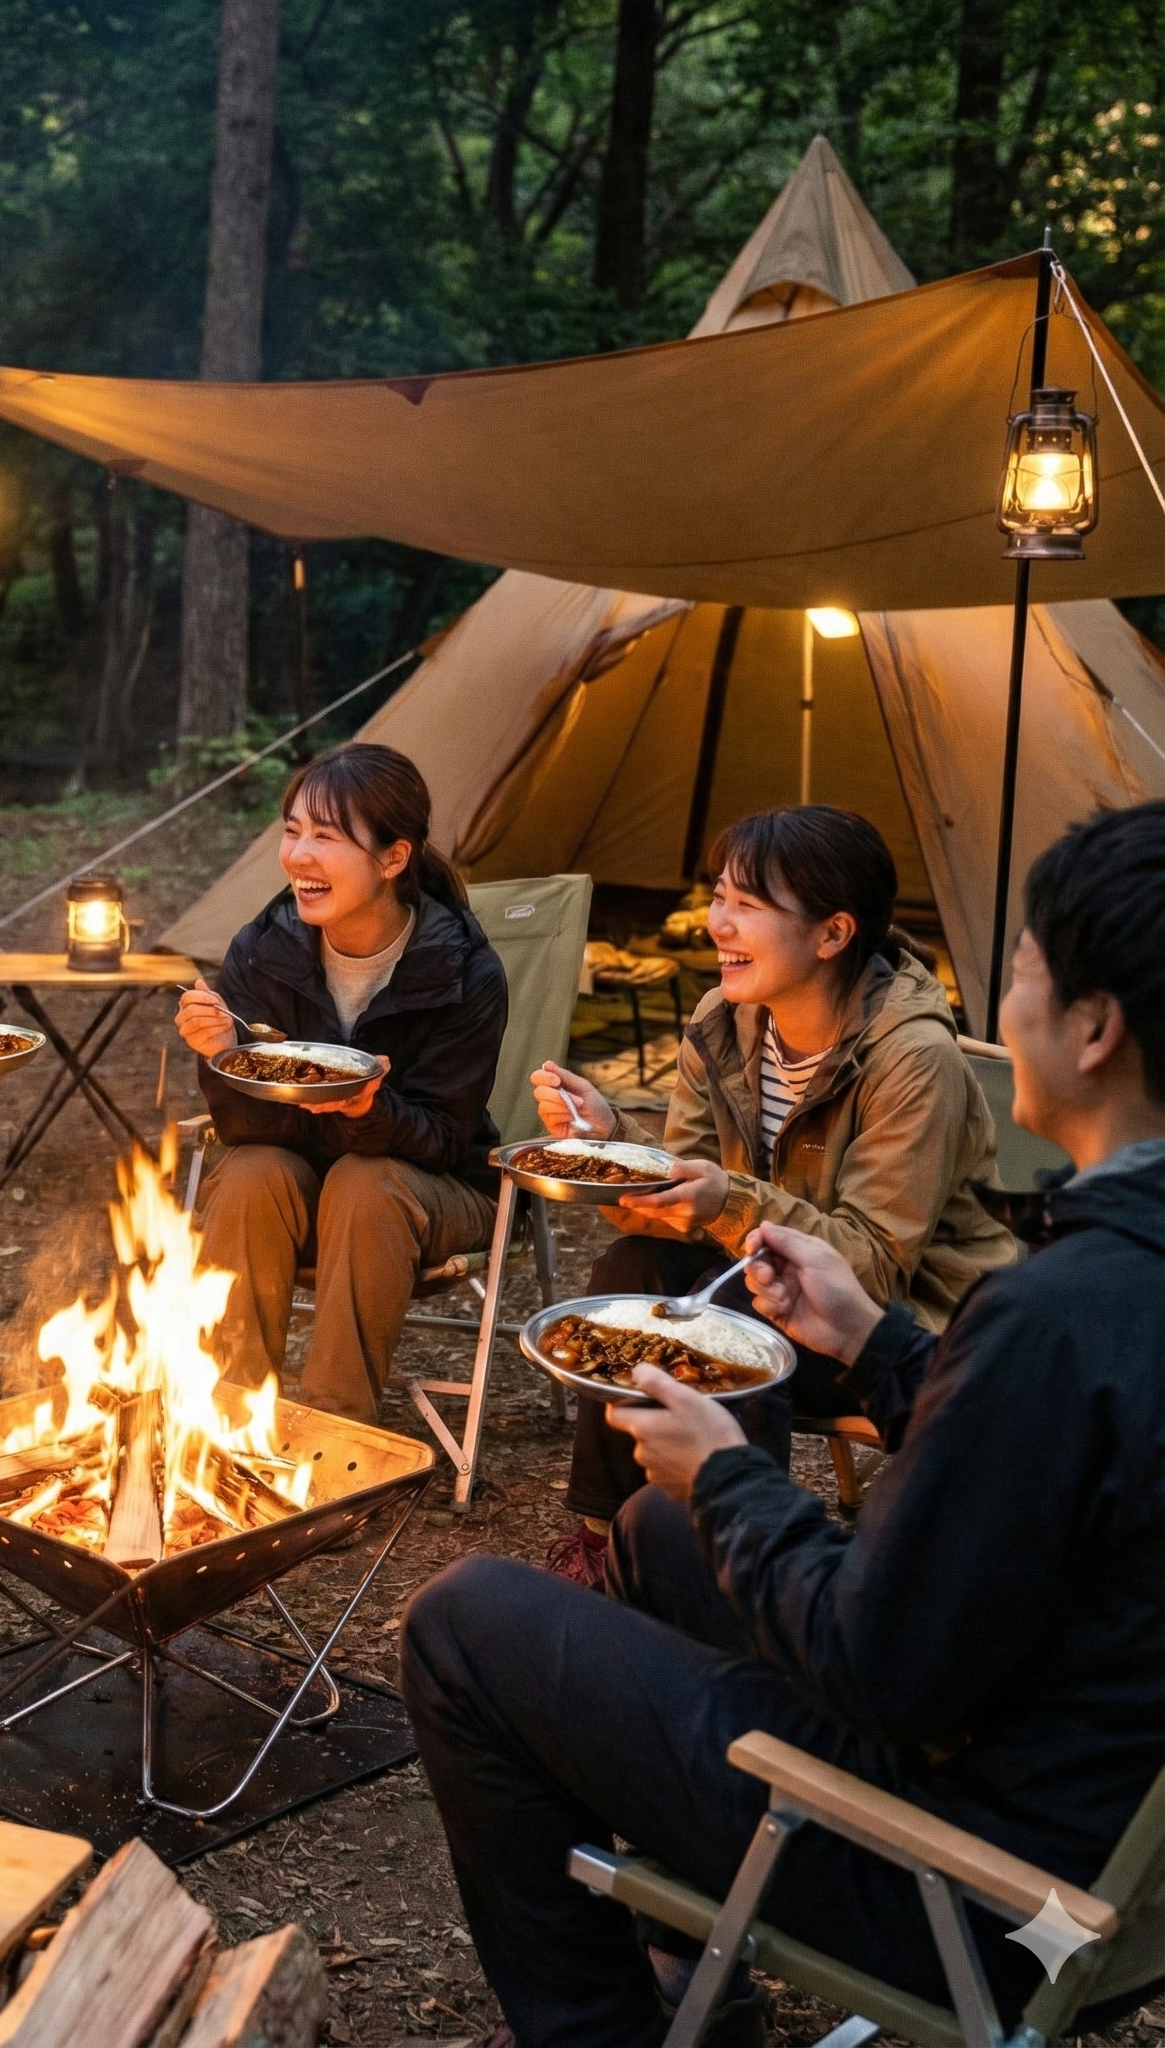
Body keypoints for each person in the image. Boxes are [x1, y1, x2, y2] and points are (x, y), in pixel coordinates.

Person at [401, 800, 1165, 2048]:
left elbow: (883, 1665)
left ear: (1095, 1027)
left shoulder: (1056, 1315)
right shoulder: (1106, 1292)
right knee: (652, 1527)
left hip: (976, 1878)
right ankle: (693, 1964)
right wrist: (878, 1343)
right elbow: (1047, 1477)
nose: (997, 1002)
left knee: (461, 1622)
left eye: (1020, 967)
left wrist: (732, 1477)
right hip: (1086, 1821)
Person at [531, 805, 1017, 1583]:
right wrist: (611, 1147)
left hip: (908, 1324)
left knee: (723, 1315)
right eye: (718, 897)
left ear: (833, 934)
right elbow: (685, 1190)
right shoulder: (723, 1020)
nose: (718, 923)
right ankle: (610, 1542)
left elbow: (873, 1266)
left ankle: (727, 1568)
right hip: (771, 1273)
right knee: (628, 1271)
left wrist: (726, 1201)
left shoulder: (912, 1057)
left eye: (748, 906)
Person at [176, 743, 508, 1422]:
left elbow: (446, 1137)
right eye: (292, 831)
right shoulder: (263, 950)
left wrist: (368, 1111)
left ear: (393, 858)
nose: (299, 856)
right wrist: (223, 1054)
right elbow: (245, 1132)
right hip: (300, 1182)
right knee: (248, 1175)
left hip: (430, 1189)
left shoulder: (461, 971)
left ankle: (334, 1435)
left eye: (325, 837)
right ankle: (226, 1424)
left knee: (366, 1181)